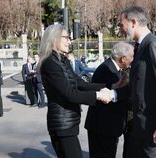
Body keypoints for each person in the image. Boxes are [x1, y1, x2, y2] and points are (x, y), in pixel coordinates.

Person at [39, 23, 114, 158]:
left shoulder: (62, 60)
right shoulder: (50, 63)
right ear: (54, 38)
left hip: (69, 124)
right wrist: (98, 95)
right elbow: (70, 94)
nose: (69, 42)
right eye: (66, 38)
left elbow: (80, 83)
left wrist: (109, 86)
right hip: (62, 125)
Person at [116, 6, 156, 157]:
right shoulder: (140, 47)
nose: (121, 28)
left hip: (151, 127)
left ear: (133, 22)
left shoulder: (152, 44)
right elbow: (138, 86)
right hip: (141, 127)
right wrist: (113, 93)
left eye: (121, 24)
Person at [85, 42, 134, 158]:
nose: (133, 60)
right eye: (131, 57)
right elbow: (104, 97)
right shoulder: (106, 70)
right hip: (102, 128)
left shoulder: (115, 69)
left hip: (108, 128)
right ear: (122, 58)